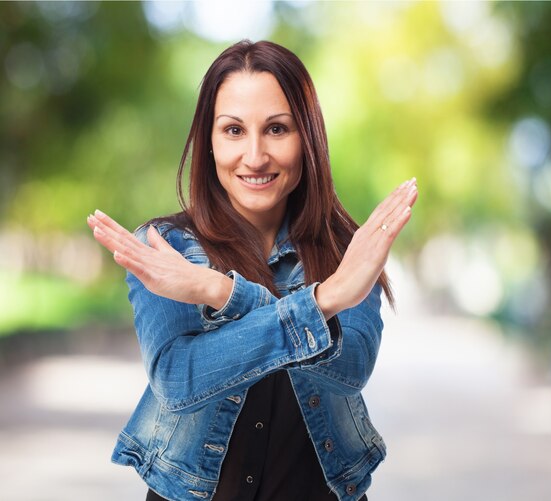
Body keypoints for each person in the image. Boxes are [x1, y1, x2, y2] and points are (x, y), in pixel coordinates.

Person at [87, 39, 417, 501]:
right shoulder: (167, 248)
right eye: (234, 130)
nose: (256, 156)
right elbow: (179, 381)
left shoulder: (349, 249)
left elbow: (351, 367)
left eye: (277, 129)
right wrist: (320, 303)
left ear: (308, 138)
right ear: (209, 142)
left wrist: (221, 293)